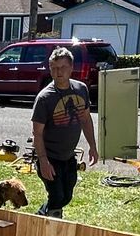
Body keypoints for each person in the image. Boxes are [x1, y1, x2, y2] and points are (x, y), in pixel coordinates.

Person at [31, 47, 100, 217]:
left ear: (70, 68)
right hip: (49, 157)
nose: (58, 72)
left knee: (67, 196)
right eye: (53, 68)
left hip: (68, 157)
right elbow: (37, 133)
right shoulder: (45, 98)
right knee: (57, 196)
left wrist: (92, 146)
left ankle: (41, 214)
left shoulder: (81, 89)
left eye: (62, 67)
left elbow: (85, 119)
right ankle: (51, 223)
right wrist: (43, 161)